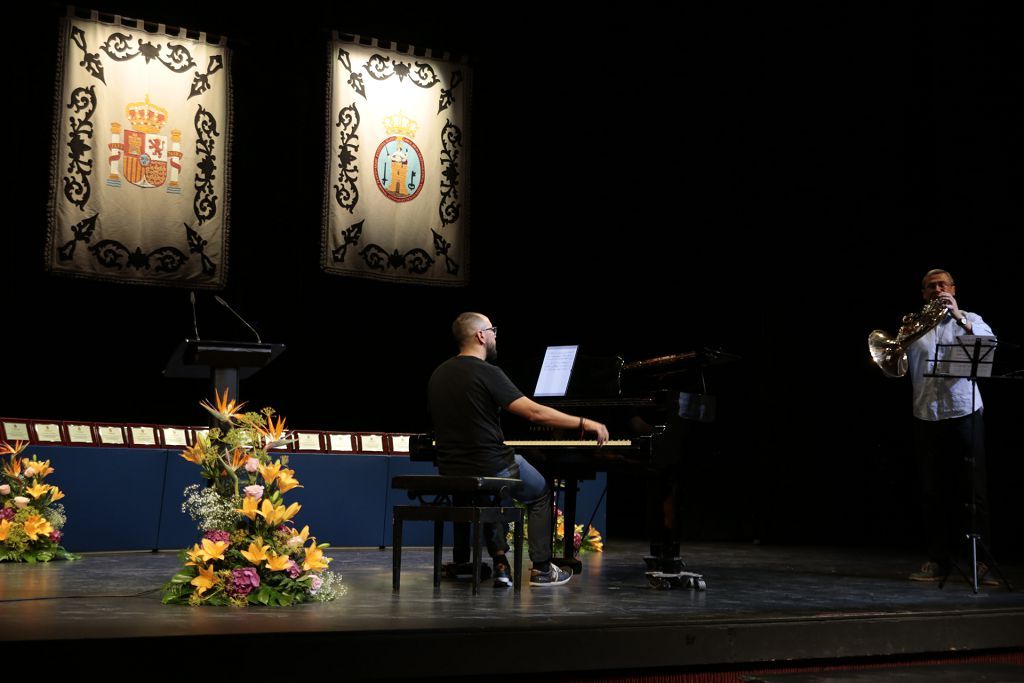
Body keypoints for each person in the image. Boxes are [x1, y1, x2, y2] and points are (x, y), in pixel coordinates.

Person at [428, 312, 610, 587]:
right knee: (539, 492)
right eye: (493, 330)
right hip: (489, 463)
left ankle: (499, 564)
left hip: (452, 466)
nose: (495, 335)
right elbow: (534, 413)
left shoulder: (439, 373)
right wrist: (584, 422)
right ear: (480, 335)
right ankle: (542, 569)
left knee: (493, 494)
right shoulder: (487, 372)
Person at [906, 269, 996, 583]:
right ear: (923, 294)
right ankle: (937, 560)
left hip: (963, 410)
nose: (936, 289)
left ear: (953, 289)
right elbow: (895, 367)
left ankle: (981, 562)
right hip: (926, 413)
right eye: (930, 286)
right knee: (932, 491)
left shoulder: (971, 317)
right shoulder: (912, 325)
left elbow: (987, 343)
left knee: (974, 489)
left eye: (942, 284)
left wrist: (958, 316)